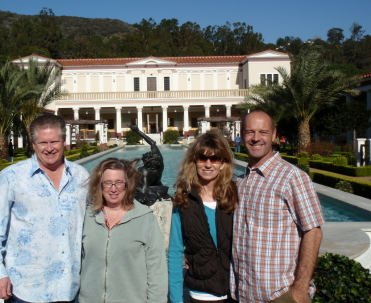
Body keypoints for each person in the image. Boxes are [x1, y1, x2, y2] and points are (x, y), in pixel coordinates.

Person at [0, 114, 89, 303]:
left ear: (64, 141)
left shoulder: (81, 176)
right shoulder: (11, 177)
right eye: (43, 143)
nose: (49, 148)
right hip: (26, 289)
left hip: (69, 288)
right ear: (33, 144)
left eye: (55, 141)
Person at [231, 111, 324, 303]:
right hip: (242, 295)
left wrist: (299, 290)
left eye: (263, 132)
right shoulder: (240, 182)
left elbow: (313, 232)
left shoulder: (292, 177)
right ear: (242, 135)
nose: (256, 138)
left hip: (278, 296)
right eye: (250, 132)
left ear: (274, 135)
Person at [79, 157, 168, 303]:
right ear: (100, 185)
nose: (113, 188)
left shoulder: (145, 219)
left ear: (127, 185)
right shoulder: (87, 217)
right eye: (107, 183)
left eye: (119, 183)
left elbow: (157, 272)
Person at [168, 131, 238, 303]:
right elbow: (175, 252)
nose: (208, 164)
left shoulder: (235, 195)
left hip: (236, 291)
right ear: (194, 162)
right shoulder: (183, 199)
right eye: (202, 158)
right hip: (201, 294)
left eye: (215, 158)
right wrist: (176, 299)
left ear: (223, 163)